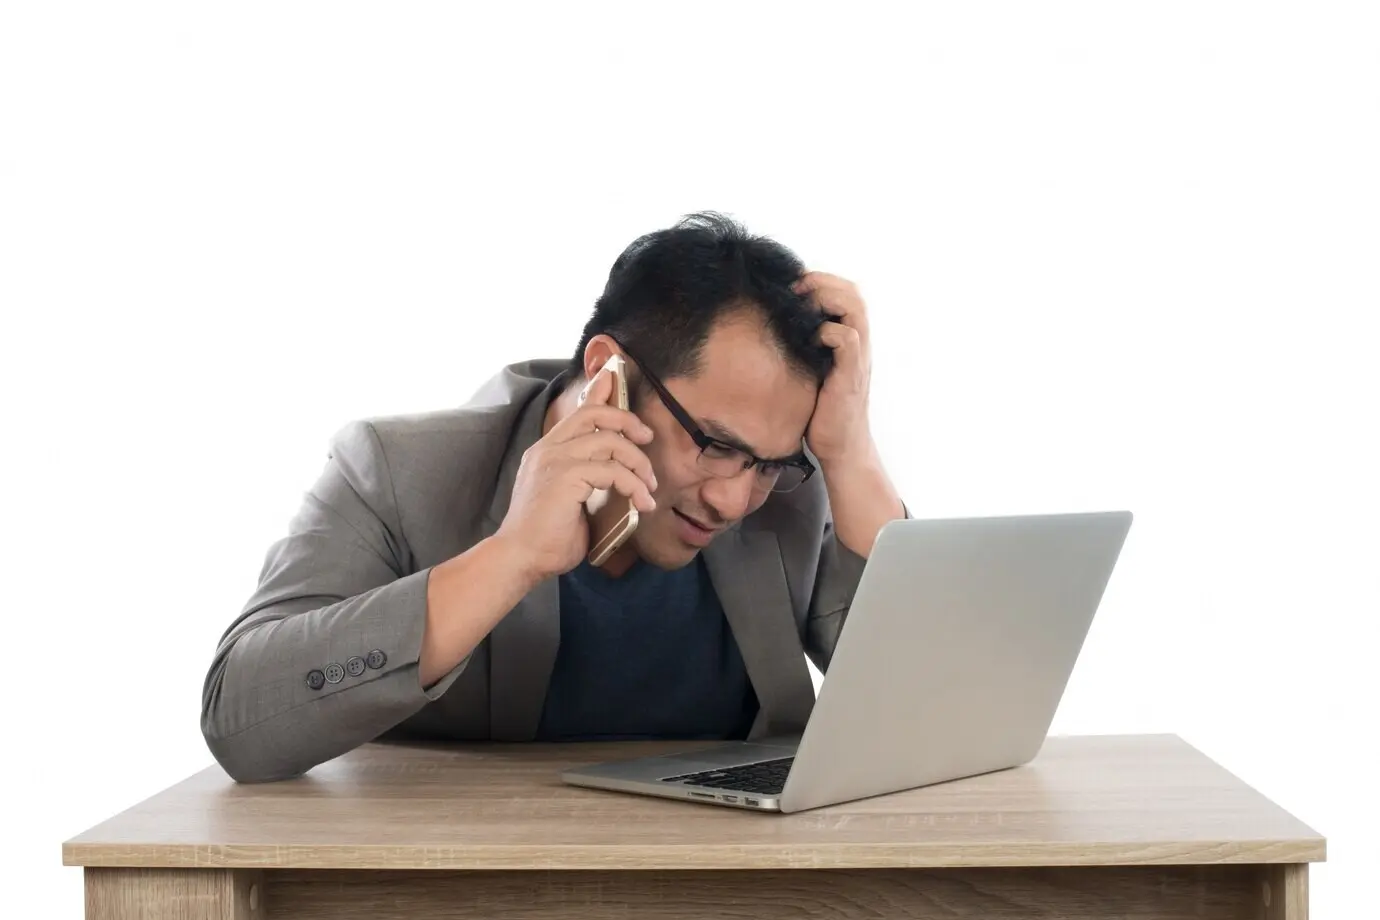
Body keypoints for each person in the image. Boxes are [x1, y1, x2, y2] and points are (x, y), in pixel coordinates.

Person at [200, 212, 907, 783]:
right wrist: (510, 560)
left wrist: (851, 456)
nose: (733, 498)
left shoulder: (791, 486)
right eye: (714, 444)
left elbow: (921, 718)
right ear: (608, 371)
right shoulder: (395, 470)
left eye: (768, 464)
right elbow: (241, 719)